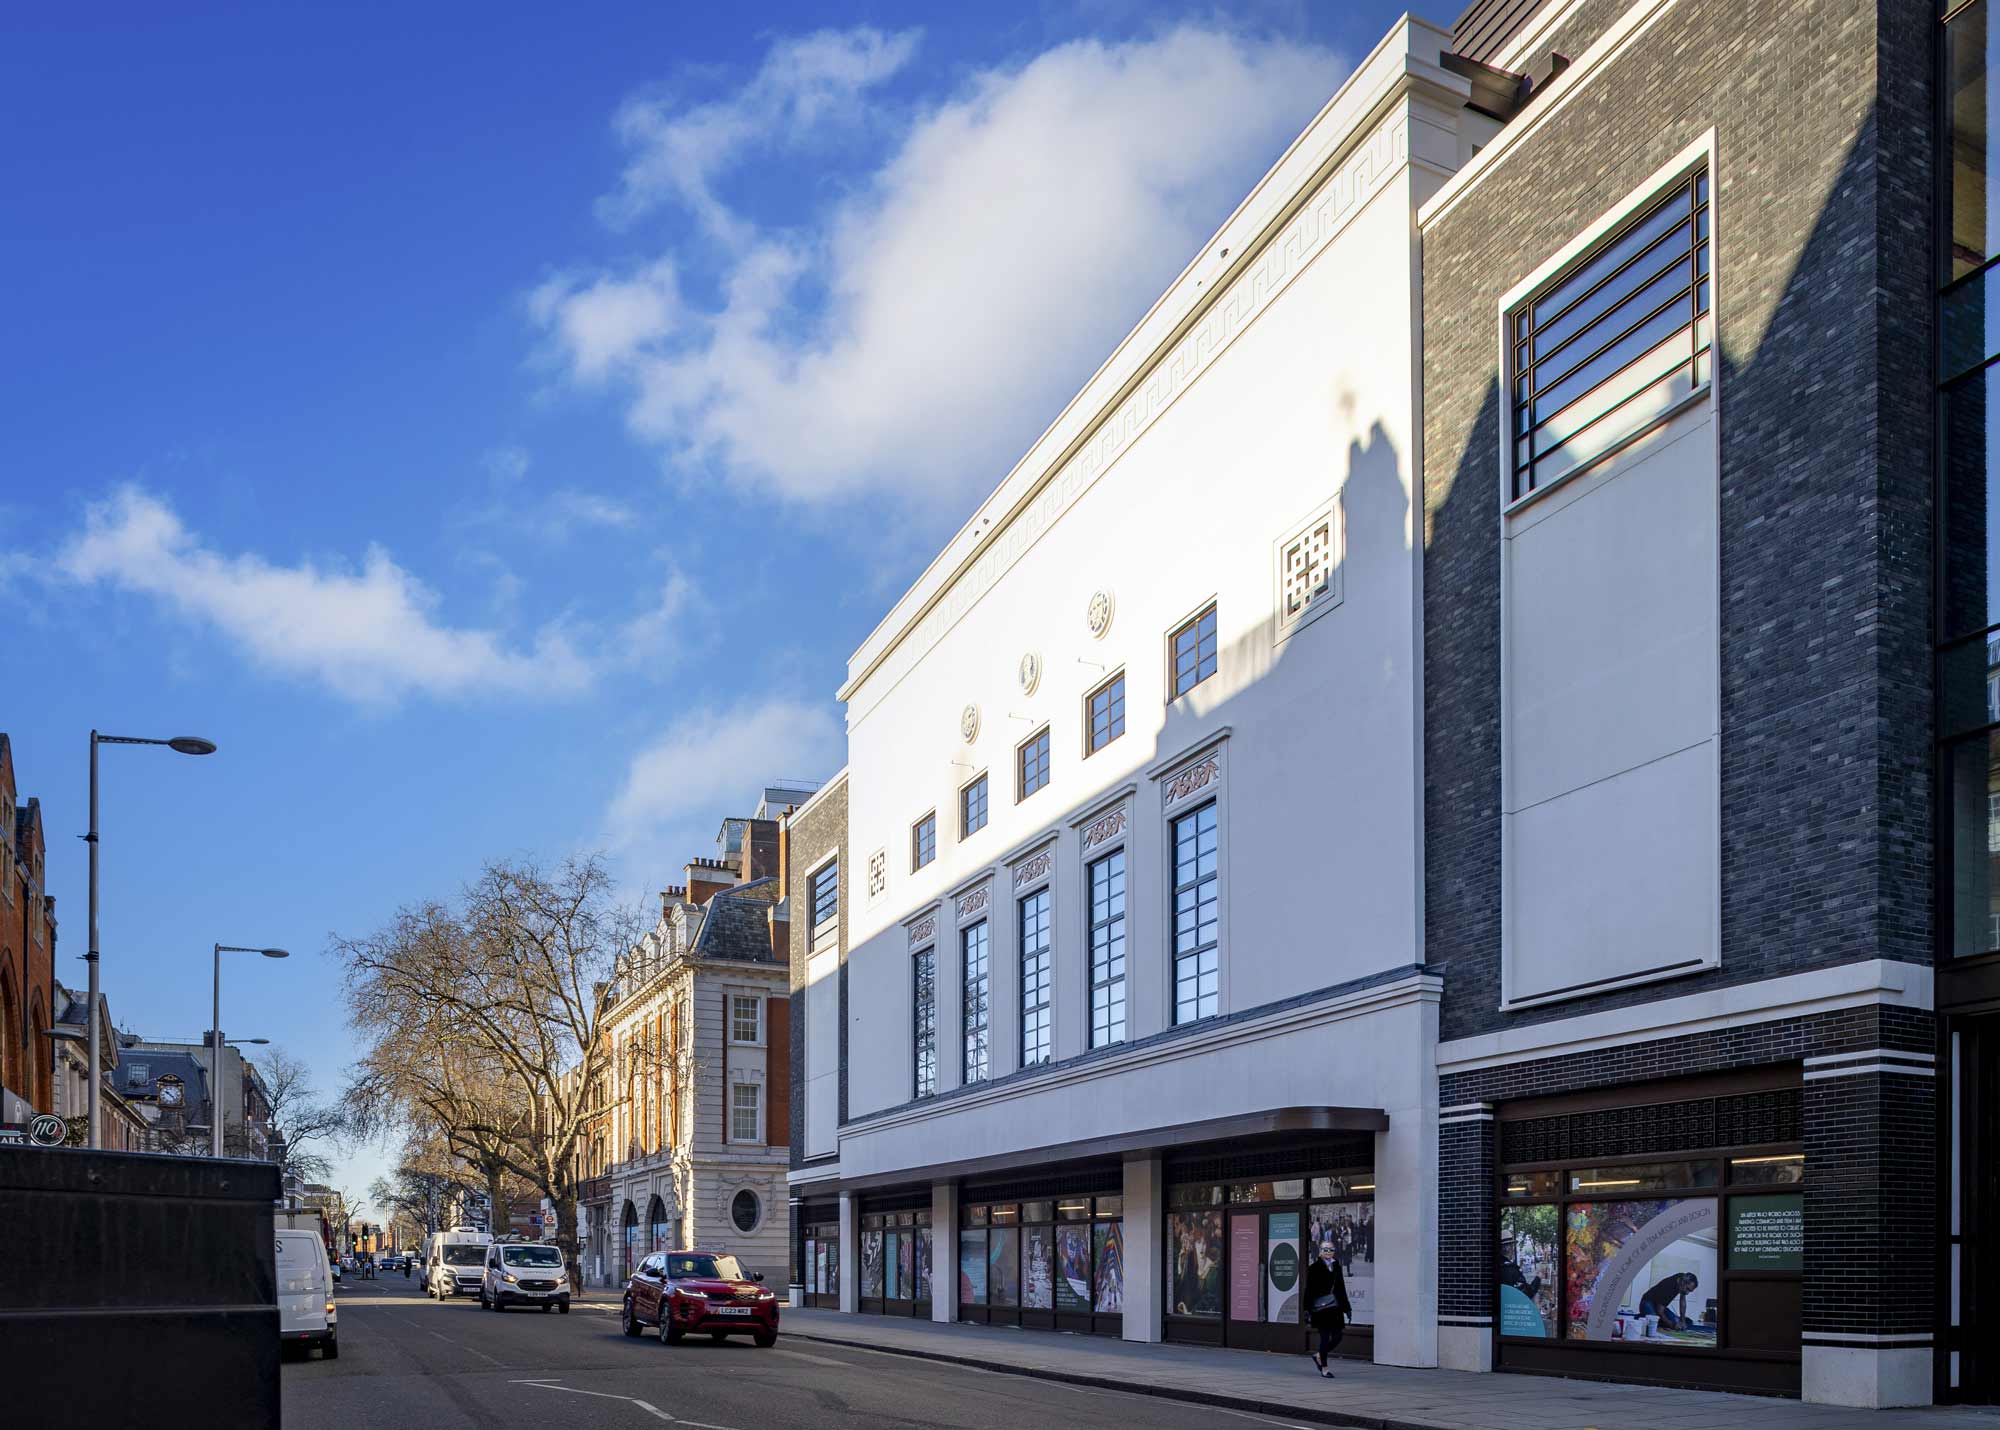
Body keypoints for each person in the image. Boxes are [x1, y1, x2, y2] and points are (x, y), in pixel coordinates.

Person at [1303, 1239, 1352, 1378]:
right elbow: (1309, 1290)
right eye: (1325, 1249)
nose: (1328, 1252)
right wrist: (1306, 1309)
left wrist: (1347, 1308)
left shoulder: (1337, 1266)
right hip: (1321, 1308)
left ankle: (1319, 1355)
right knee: (1325, 1338)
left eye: (1331, 1250)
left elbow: (1341, 1288)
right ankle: (1324, 1368)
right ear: (1320, 1251)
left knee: (1338, 1337)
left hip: (1335, 1307)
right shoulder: (1313, 1268)